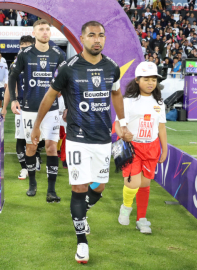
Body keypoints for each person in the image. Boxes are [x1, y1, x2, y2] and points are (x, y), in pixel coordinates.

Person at [29, 21, 131, 264]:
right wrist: (36, 125)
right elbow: (49, 96)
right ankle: (82, 242)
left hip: (103, 139)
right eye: (92, 35)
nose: (97, 39)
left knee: (99, 187)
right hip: (77, 139)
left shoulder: (112, 67)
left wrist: (123, 122)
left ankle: (81, 212)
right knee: (79, 188)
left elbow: (116, 93)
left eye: (101, 35)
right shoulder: (69, 67)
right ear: (82, 39)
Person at [8, 20, 65, 201]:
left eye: (48, 29)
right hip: (30, 108)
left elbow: (67, 80)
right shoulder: (25, 54)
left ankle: (51, 189)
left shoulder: (59, 54)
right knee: (31, 146)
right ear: (34, 33)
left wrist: (68, 104)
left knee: (50, 147)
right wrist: (14, 99)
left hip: (52, 110)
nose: (45, 32)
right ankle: (32, 183)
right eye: (41, 29)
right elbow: (12, 76)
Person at [116, 62, 167, 234]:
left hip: (151, 148)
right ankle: (126, 207)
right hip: (131, 147)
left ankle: (141, 219)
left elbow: (161, 128)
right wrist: (123, 134)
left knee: (145, 184)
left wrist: (164, 149)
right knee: (133, 182)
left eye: (153, 79)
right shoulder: (128, 101)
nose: (151, 83)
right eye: (146, 79)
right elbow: (117, 124)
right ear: (137, 80)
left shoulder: (159, 102)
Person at [2, 35, 34, 180]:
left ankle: (35, 159)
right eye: (22, 47)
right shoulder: (15, 65)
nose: (25, 49)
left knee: (38, 138)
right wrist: (4, 108)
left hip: (39, 106)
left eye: (28, 47)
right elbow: (10, 87)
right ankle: (24, 168)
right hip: (21, 106)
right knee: (21, 138)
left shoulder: (40, 62)